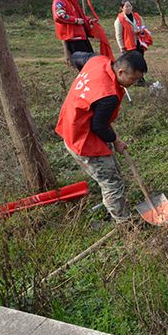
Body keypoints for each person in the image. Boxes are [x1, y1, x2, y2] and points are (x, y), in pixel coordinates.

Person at [55, 51, 147, 224]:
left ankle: (112, 204)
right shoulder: (109, 96)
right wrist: (116, 141)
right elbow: (99, 127)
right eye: (133, 79)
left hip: (71, 123)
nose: (134, 84)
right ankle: (124, 223)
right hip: (82, 138)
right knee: (111, 182)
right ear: (120, 72)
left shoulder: (97, 60)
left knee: (113, 170)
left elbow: (76, 56)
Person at [51, 0, 95, 64]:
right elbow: (59, 16)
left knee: (91, 61)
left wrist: (88, 20)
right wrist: (75, 21)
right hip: (73, 37)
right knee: (83, 64)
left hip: (81, 35)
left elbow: (79, 14)